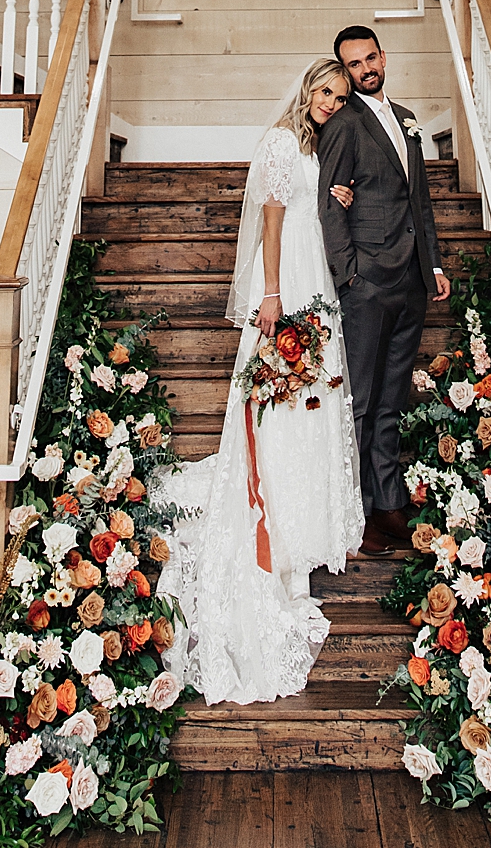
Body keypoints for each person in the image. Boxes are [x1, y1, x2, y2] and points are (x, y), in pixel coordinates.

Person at [155, 59, 365, 704]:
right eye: (325, 91)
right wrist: (272, 293)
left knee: (314, 401)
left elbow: (311, 208)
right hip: (288, 280)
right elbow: (273, 219)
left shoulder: (320, 146)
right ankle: (275, 530)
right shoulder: (280, 141)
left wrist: (339, 200)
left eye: (341, 95)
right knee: (279, 405)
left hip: (318, 278)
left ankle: (303, 528)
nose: (332, 101)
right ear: (306, 89)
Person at [316, 25, 449, 555]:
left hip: (411, 282)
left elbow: (421, 202)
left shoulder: (406, 119)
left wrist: (433, 264)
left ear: (383, 57)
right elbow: (330, 208)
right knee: (362, 402)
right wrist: (350, 276)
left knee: (392, 398)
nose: (366, 69)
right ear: (344, 71)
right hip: (366, 284)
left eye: (371, 58)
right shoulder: (344, 126)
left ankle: (390, 504)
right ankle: (358, 510)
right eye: (354, 65)